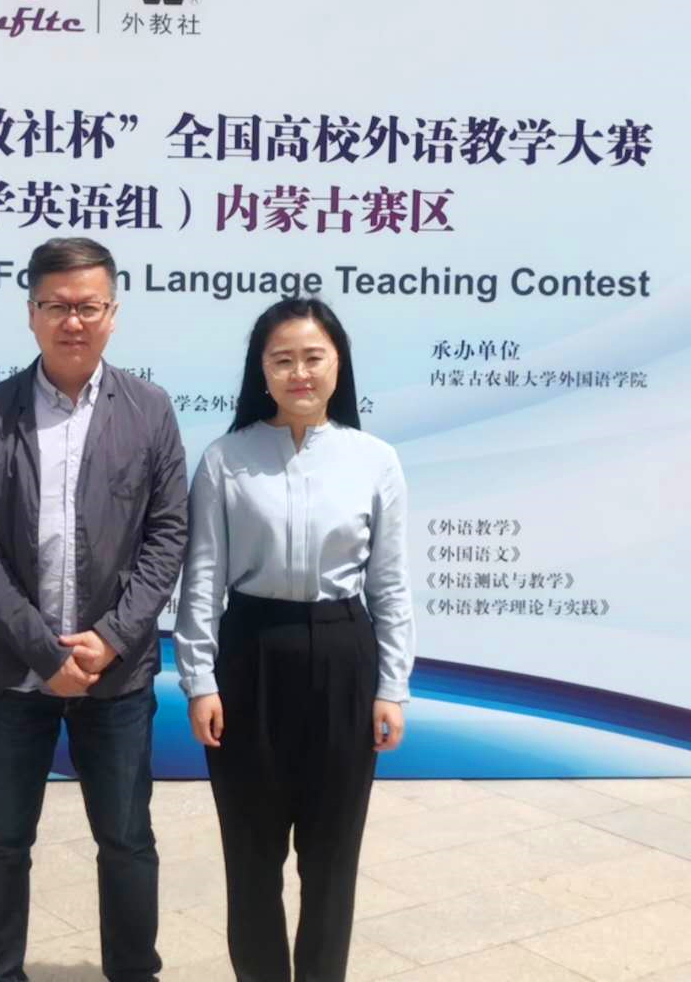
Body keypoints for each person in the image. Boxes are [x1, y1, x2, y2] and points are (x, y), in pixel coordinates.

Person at [0, 237, 188, 982]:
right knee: (0, 841)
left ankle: (133, 973)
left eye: (88, 306)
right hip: (13, 675)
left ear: (113, 313)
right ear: (31, 314)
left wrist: (110, 639)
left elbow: (168, 535)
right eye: (56, 306)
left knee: (126, 839)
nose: (73, 321)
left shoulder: (150, 410)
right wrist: (42, 651)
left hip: (115, 675)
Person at [174, 297, 415, 982]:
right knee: (251, 853)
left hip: (343, 655)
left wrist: (392, 686)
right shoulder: (226, 459)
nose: (299, 372)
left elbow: (390, 584)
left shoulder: (375, 460)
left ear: (339, 363)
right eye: (283, 360)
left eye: (314, 357)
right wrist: (200, 681)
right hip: (249, 655)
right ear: (262, 370)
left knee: (332, 856)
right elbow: (202, 578)